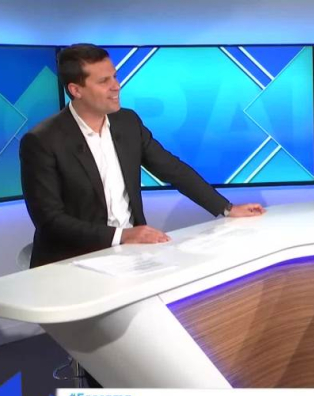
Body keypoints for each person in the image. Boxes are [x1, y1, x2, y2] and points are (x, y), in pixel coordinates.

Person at [20, 43, 265, 268]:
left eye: (115, 76)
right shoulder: (42, 141)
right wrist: (122, 235)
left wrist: (226, 208)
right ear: (76, 90)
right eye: (104, 81)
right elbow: (50, 221)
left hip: (131, 255)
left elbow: (172, 169)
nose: (116, 86)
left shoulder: (127, 122)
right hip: (72, 262)